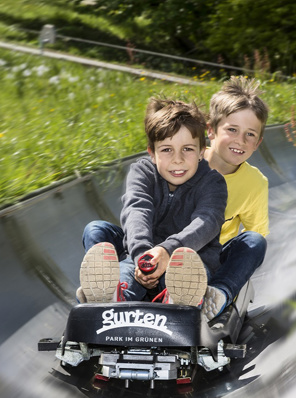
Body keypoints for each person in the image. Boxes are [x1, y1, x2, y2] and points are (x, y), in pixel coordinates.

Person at [78, 97, 227, 310]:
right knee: (96, 230)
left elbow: (207, 221)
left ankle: (179, 301)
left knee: (185, 272)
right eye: (167, 150)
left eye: (188, 149)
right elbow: (137, 209)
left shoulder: (213, 182)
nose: (178, 159)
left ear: (202, 152)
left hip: (190, 261)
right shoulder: (142, 172)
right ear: (152, 154)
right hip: (144, 255)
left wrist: (168, 251)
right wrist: (143, 258)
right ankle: (111, 295)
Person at [200, 76, 270, 318]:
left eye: (250, 134)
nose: (241, 140)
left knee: (254, 242)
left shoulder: (255, 183)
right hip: (172, 249)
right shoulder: (184, 162)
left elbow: (256, 235)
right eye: (232, 130)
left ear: (258, 143)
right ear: (210, 130)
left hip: (213, 259)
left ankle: (218, 293)